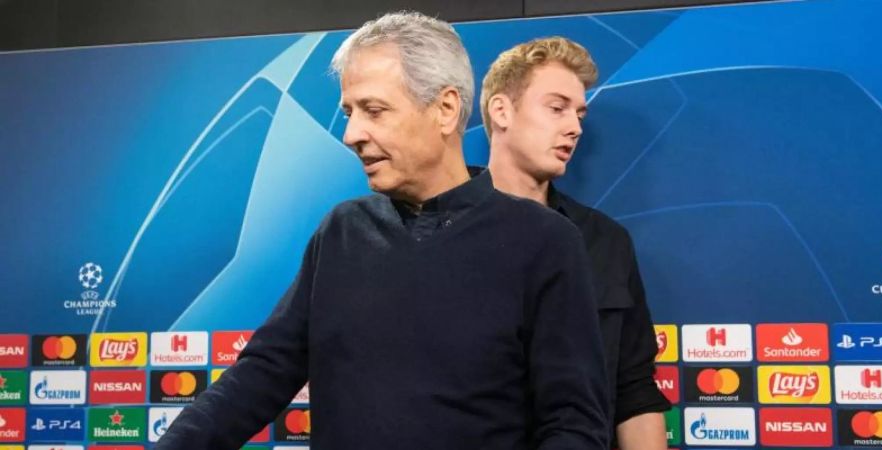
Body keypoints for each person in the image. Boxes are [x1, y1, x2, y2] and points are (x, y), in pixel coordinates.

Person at [156, 13, 610, 450]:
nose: (352, 133)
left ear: (446, 109)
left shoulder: (545, 242)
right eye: (349, 112)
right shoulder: (342, 232)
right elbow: (263, 372)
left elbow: (573, 423)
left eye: (373, 110)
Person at [481, 36, 670, 450]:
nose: (575, 127)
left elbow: (634, 391)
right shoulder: (431, 226)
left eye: (579, 114)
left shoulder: (607, 242)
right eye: (556, 108)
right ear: (501, 111)